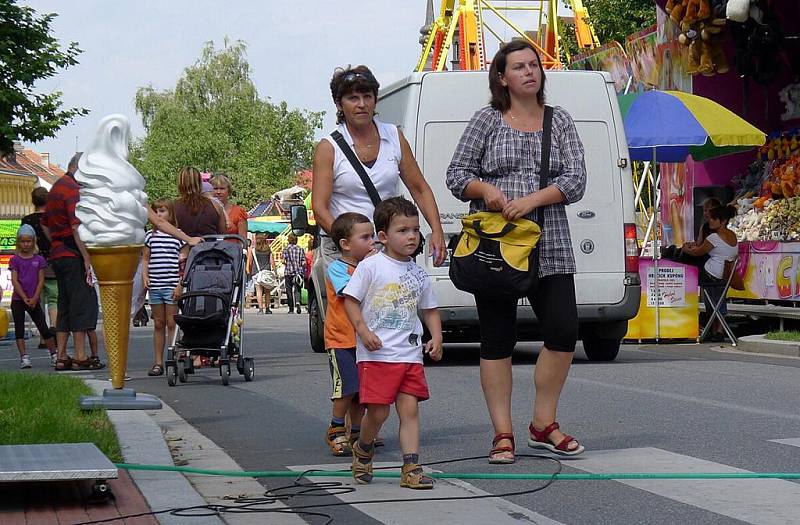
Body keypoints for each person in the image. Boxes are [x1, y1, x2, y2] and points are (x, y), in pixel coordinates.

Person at [445, 40, 587, 462]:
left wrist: (532, 200)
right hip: (496, 244)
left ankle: (543, 424)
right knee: (497, 338)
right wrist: (485, 189)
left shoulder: (558, 121)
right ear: (502, 78)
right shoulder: (486, 120)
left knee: (563, 331)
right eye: (519, 67)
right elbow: (456, 174)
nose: (529, 72)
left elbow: (576, 179)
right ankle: (502, 433)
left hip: (549, 241)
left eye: (534, 65)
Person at [343, 197, 442, 489]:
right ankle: (363, 446)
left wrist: (436, 336)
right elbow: (350, 301)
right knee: (379, 412)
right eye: (403, 230)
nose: (411, 236)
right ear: (383, 237)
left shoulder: (417, 272)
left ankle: (411, 466)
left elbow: (429, 309)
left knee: (409, 410)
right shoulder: (371, 266)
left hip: (409, 353)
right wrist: (363, 331)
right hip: (377, 355)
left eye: (415, 229)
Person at [311, 65, 447, 275]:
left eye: (367, 96)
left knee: (390, 306)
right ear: (339, 104)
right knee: (351, 307)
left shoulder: (394, 136)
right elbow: (319, 208)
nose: (362, 104)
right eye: (353, 98)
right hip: (343, 249)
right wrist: (351, 244)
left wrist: (437, 230)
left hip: (386, 245)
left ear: (376, 99)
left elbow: (420, 189)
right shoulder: (328, 147)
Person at [42, 153, 104, 371]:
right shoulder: (72, 189)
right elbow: (77, 226)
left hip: (58, 255)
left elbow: (44, 224)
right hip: (73, 254)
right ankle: (79, 355)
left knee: (64, 305)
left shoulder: (55, 187)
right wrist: (86, 257)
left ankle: (61, 356)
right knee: (82, 303)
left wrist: (57, 242)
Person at [323, 212, 374, 456]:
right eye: (365, 237)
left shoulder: (369, 266)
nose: (372, 242)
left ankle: (356, 430)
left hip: (363, 339)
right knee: (346, 386)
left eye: (373, 236)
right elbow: (351, 292)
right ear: (345, 244)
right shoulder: (337, 268)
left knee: (363, 391)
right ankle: (335, 427)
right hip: (341, 338)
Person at [681, 204, 739, 342]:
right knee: (717, 300)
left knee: (686, 264)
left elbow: (697, 252)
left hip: (711, 275)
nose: (710, 221)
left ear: (723, 221)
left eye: (714, 219)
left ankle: (703, 324)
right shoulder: (733, 235)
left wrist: (684, 248)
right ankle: (716, 330)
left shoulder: (714, 238)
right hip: (726, 275)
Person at [142, 199, 183, 376]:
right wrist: (145, 275)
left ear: (171, 213)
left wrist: (180, 284)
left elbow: (183, 262)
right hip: (156, 285)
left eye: (162, 211)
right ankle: (158, 362)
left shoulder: (178, 235)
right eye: (156, 211)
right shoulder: (150, 236)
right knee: (158, 323)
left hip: (172, 283)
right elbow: (145, 259)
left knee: (172, 322)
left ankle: (172, 356)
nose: (158, 214)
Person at [9, 224, 56, 368]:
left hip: (34, 299)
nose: (26, 244)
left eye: (28, 241)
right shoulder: (15, 260)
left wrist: (35, 297)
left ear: (33, 242)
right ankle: (24, 357)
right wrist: (24, 297)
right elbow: (14, 280)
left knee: (43, 327)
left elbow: (41, 280)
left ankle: (53, 354)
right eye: (23, 241)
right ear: (18, 242)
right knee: (19, 329)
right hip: (19, 299)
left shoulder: (39, 259)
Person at [21, 187, 57, 352]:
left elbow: (22, 243)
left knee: (39, 302)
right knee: (54, 300)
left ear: (33, 201)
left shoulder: (27, 221)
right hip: (52, 264)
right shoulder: (52, 219)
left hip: (33, 265)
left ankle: (44, 337)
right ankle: (55, 330)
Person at [662, 197, 722, 265]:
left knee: (681, 253)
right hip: (703, 255)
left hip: (705, 258)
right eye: (704, 211)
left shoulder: (715, 231)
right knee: (675, 249)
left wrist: (688, 249)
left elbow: (700, 250)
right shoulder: (706, 226)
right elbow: (699, 243)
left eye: (706, 211)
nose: (705, 213)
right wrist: (690, 244)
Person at [173, 166, 226, 238]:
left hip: (182, 247)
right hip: (210, 247)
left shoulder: (173, 207)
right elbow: (223, 233)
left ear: (180, 184)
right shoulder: (215, 205)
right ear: (200, 183)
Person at [210, 173, 248, 239]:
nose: (218, 192)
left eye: (222, 188)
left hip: (233, 248)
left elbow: (243, 239)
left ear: (229, 190)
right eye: (215, 189)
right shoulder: (204, 211)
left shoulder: (238, 211)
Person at [248, 234, 275, 314]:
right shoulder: (268, 250)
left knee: (259, 291)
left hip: (256, 273)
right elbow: (272, 262)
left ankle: (260, 309)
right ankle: (267, 308)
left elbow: (250, 262)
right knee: (267, 291)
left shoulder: (253, 251)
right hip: (267, 272)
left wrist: (249, 272)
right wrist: (275, 272)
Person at [282, 234, 307, 314]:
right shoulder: (300, 249)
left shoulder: (286, 249)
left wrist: (287, 264)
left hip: (288, 272)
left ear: (289, 240)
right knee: (297, 289)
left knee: (289, 290)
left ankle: (291, 308)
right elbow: (303, 262)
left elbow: (283, 261)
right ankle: (298, 302)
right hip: (298, 272)